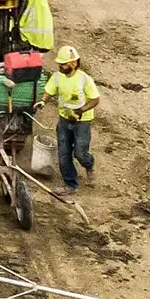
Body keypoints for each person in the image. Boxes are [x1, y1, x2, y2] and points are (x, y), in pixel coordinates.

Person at [41, 44, 101, 192]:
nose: (60, 67)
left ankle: (89, 164)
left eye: (63, 64)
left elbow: (95, 99)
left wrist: (81, 111)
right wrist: (42, 101)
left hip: (82, 122)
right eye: (59, 64)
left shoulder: (84, 80)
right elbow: (49, 91)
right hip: (64, 120)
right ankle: (70, 184)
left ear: (73, 63)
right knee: (63, 153)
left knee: (80, 153)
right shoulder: (57, 77)